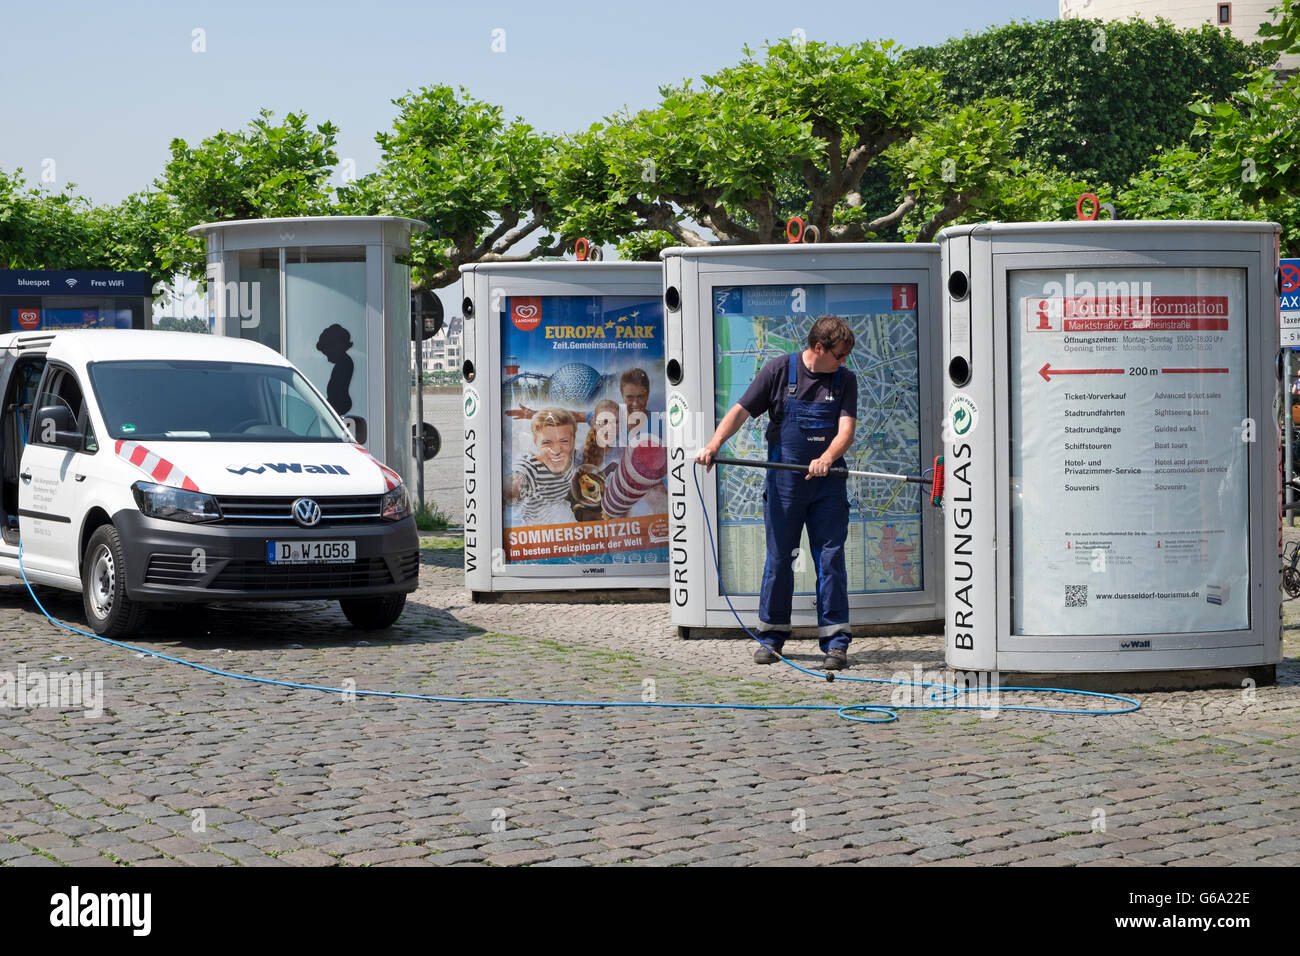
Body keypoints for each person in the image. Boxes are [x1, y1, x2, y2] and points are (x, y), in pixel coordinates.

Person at [696, 315, 858, 670]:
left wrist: (827, 457)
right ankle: (771, 637)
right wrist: (714, 444)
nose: (843, 362)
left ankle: (835, 643)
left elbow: (846, 431)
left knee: (830, 561)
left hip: (828, 487)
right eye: (839, 355)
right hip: (784, 487)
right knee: (779, 559)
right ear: (819, 348)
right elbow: (740, 411)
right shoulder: (779, 371)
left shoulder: (845, 381)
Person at [506, 407, 579, 526]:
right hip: (538, 532)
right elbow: (516, 479)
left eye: (564, 441)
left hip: (566, 522)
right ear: (535, 442)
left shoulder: (571, 457)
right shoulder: (531, 468)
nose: (556, 450)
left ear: (573, 440)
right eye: (546, 443)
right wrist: (511, 487)